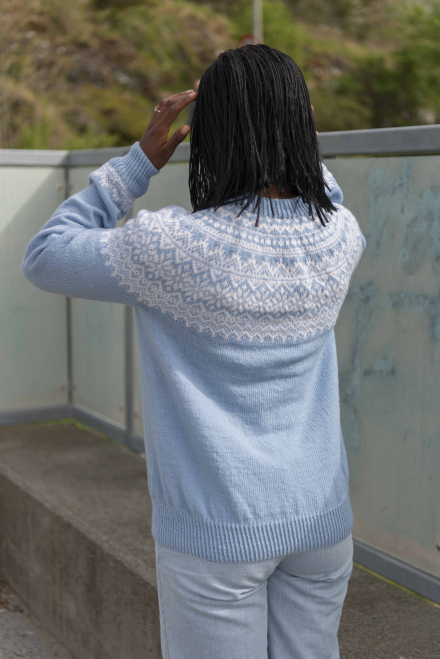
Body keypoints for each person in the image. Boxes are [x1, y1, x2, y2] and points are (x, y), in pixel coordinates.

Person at [22, 45, 366, 659]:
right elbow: (324, 190)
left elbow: (45, 255)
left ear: (210, 135)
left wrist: (138, 164)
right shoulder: (339, 234)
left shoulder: (172, 247)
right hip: (321, 523)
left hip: (217, 541)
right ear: (302, 125)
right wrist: (289, 128)